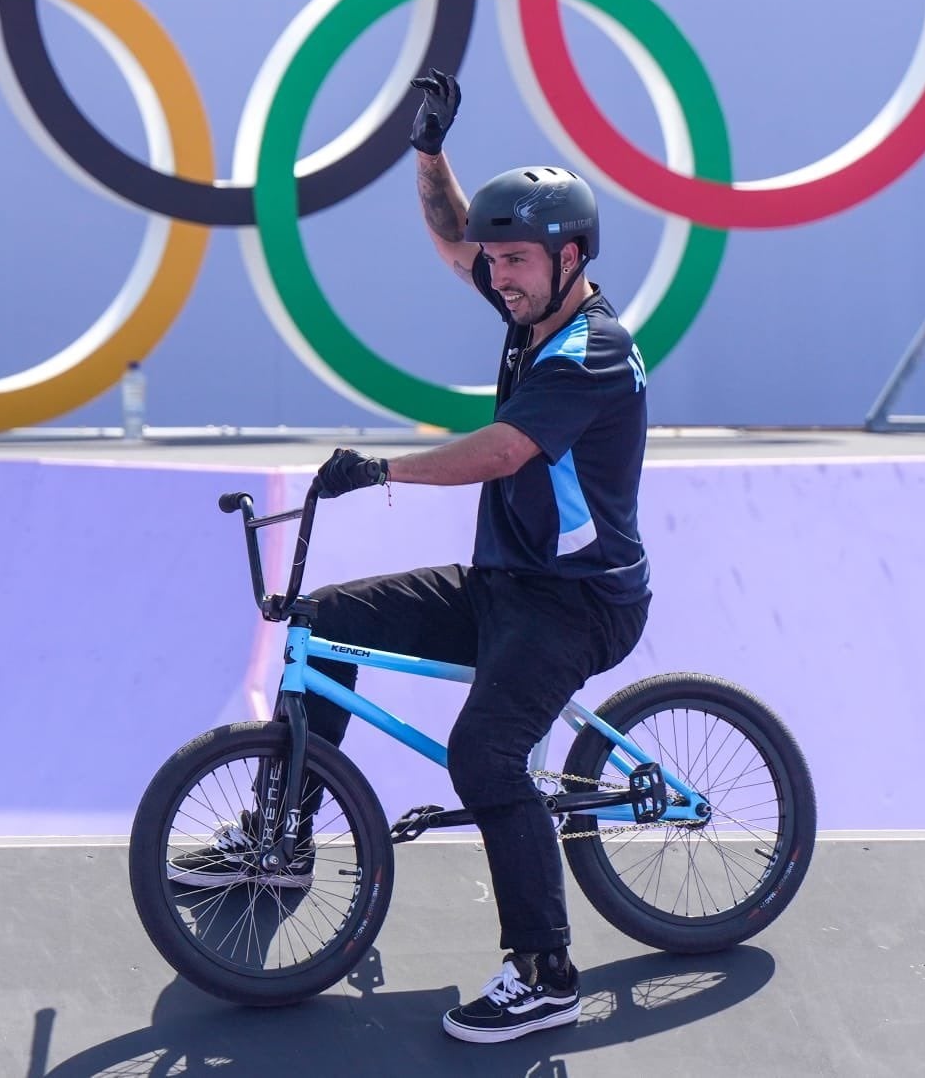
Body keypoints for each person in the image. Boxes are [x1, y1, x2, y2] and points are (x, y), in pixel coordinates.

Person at [176, 69, 652, 1043]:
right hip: (504, 583)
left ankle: (545, 970)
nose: (498, 274)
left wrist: (383, 469)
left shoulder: (589, 352)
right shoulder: (534, 309)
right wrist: (429, 154)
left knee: (485, 751)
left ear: (570, 257)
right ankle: (284, 839)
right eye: (499, 261)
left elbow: (505, 451)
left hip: (581, 602)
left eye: (514, 260)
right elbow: (449, 238)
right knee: (322, 622)